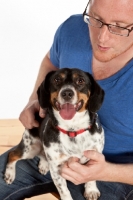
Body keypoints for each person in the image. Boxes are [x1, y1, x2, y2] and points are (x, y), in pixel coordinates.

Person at [1, 0, 133, 199]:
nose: (102, 38)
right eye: (96, 19)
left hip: (118, 172)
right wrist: (32, 98)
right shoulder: (72, 29)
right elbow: (50, 60)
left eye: (119, 27)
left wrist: (106, 171)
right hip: (51, 147)